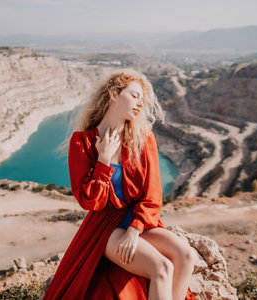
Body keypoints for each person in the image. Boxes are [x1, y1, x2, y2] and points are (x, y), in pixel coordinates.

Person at [44, 70, 196, 300]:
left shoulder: (143, 137)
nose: (140, 103)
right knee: (161, 268)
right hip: (105, 229)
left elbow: (153, 195)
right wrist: (103, 161)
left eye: (142, 99)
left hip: (140, 223)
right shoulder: (82, 142)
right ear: (114, 94)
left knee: (186, 255)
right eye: (134, 95)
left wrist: (134, 230)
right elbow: (89, 201)